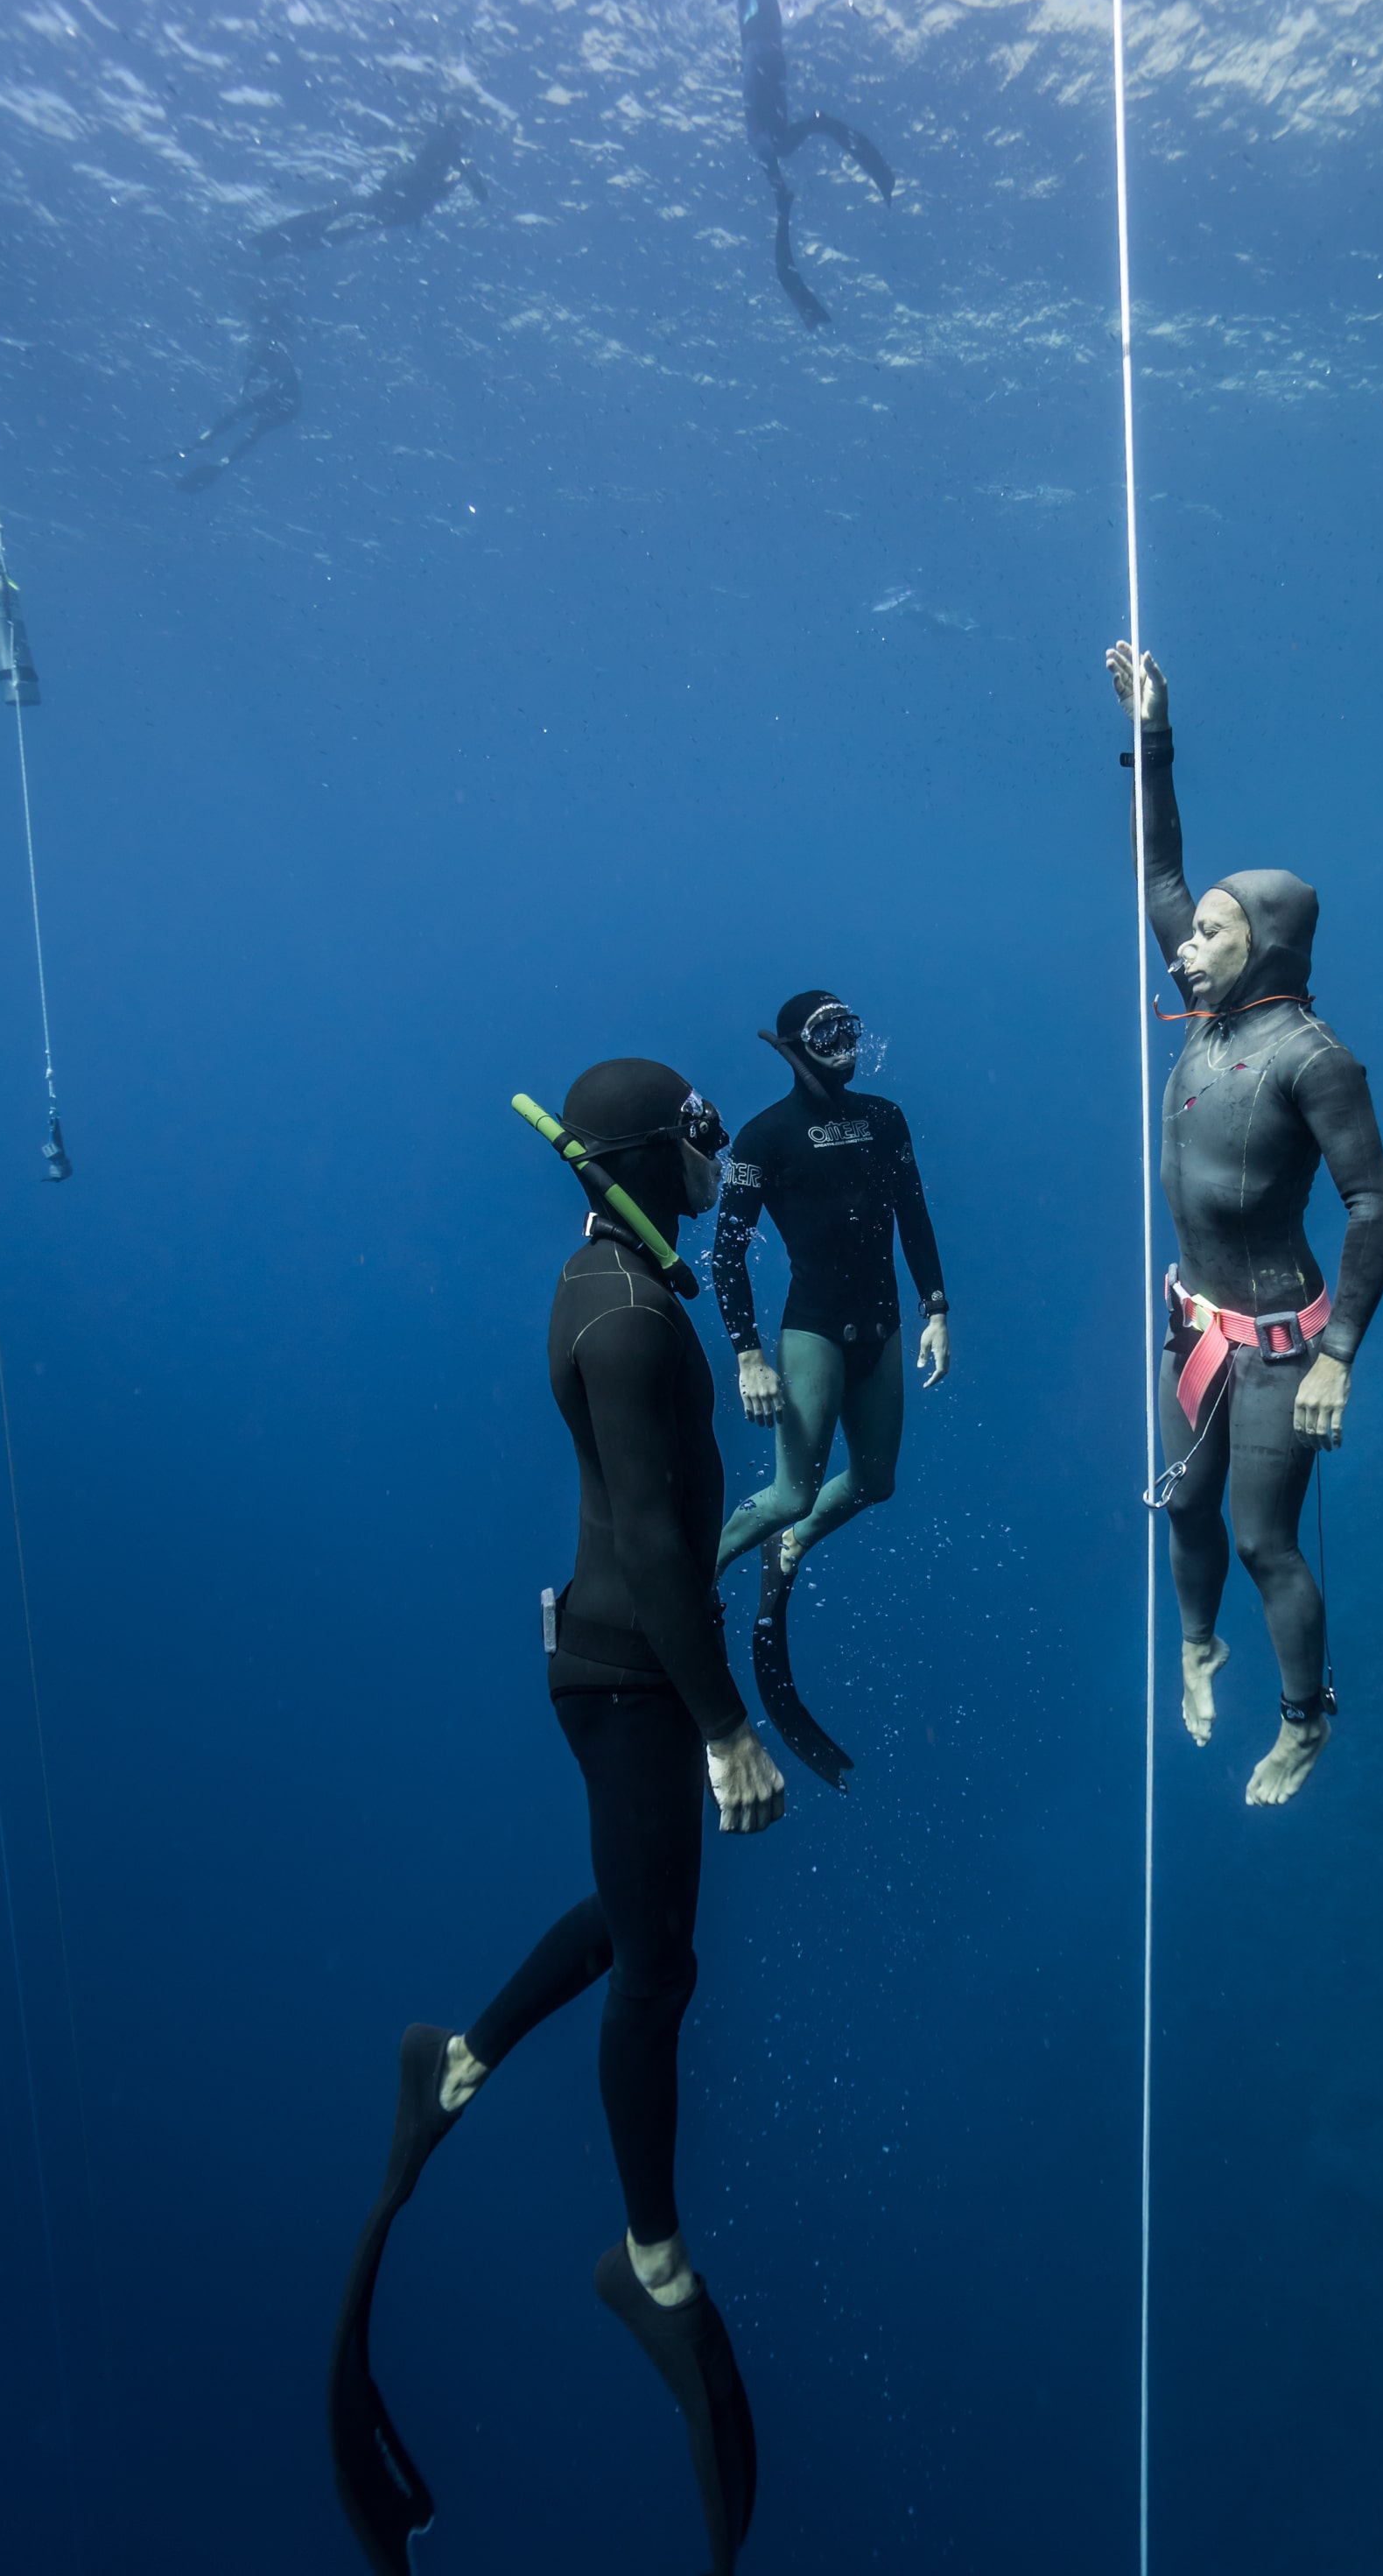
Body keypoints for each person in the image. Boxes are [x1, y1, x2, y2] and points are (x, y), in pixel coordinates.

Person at [329, 1059, 783, 2576]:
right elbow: (656, 1540)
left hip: (604, 1662)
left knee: (633, 1902)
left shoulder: (617, 1274)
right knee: (663, 1971)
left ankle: (453, 2060)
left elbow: (652, 1522)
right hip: (633, 1676)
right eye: (705, 1134)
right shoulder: (629, 1315)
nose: (720, 1151)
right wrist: (726, 1726)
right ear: (654, 1154)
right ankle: (648, 2264)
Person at [1107, 642, 1383, 1807]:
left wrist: (1339, 1358)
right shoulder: (1208, 1011)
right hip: (1192, 1325)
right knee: (1181, 1502)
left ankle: (1302, 1716)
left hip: (1283, 1344)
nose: (1190, 941)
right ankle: (1196, 1644)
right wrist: (1156, 731)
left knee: (1263, 1541)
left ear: (1265, 947)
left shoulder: (1310, 1059)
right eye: (1199, 931)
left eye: (1217, 933)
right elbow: (1157, 864)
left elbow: (1375, 1207)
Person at [712, 993, 949, 1780]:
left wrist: (936, 1310)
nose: (844, 1046)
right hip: (813, 1329)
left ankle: (795, 1541)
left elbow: (913, 1213)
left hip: (880, 1329)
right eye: (827, 1034)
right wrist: (749, 1356)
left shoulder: (885, 1118)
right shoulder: (762, 1137)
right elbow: (727, 1255)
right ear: (792, 1047)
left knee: (876, 1483)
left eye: (850, 1030)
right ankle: (693, 1580)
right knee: (787, 1490)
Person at [717, 0, 894, 331]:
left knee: (763, 141)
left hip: (760, 52)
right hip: (766, 52)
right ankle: (809, 147)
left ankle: (782, 192)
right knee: (773, 141)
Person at [254, 114, 487, 258]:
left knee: (345, 214)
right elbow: (478, 192)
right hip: (404, 206)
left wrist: (461, 173)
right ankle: (283, 247)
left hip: (399, 202)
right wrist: (463, 173)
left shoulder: (443, 151)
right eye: (457, 132)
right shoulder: (447, 152)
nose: (458, 138)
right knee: (352, 226)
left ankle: (280, 244)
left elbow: (420, 167)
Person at [172, 307, 300, 493]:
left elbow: (260, 362)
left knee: (244, 415)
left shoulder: (267, 345)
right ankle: (224, 459)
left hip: (283, 395)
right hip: (292, 404)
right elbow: (265, 365)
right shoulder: (273, 349)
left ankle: (208, 438)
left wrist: (247, 381)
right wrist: (249, 380)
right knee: (256, 429)